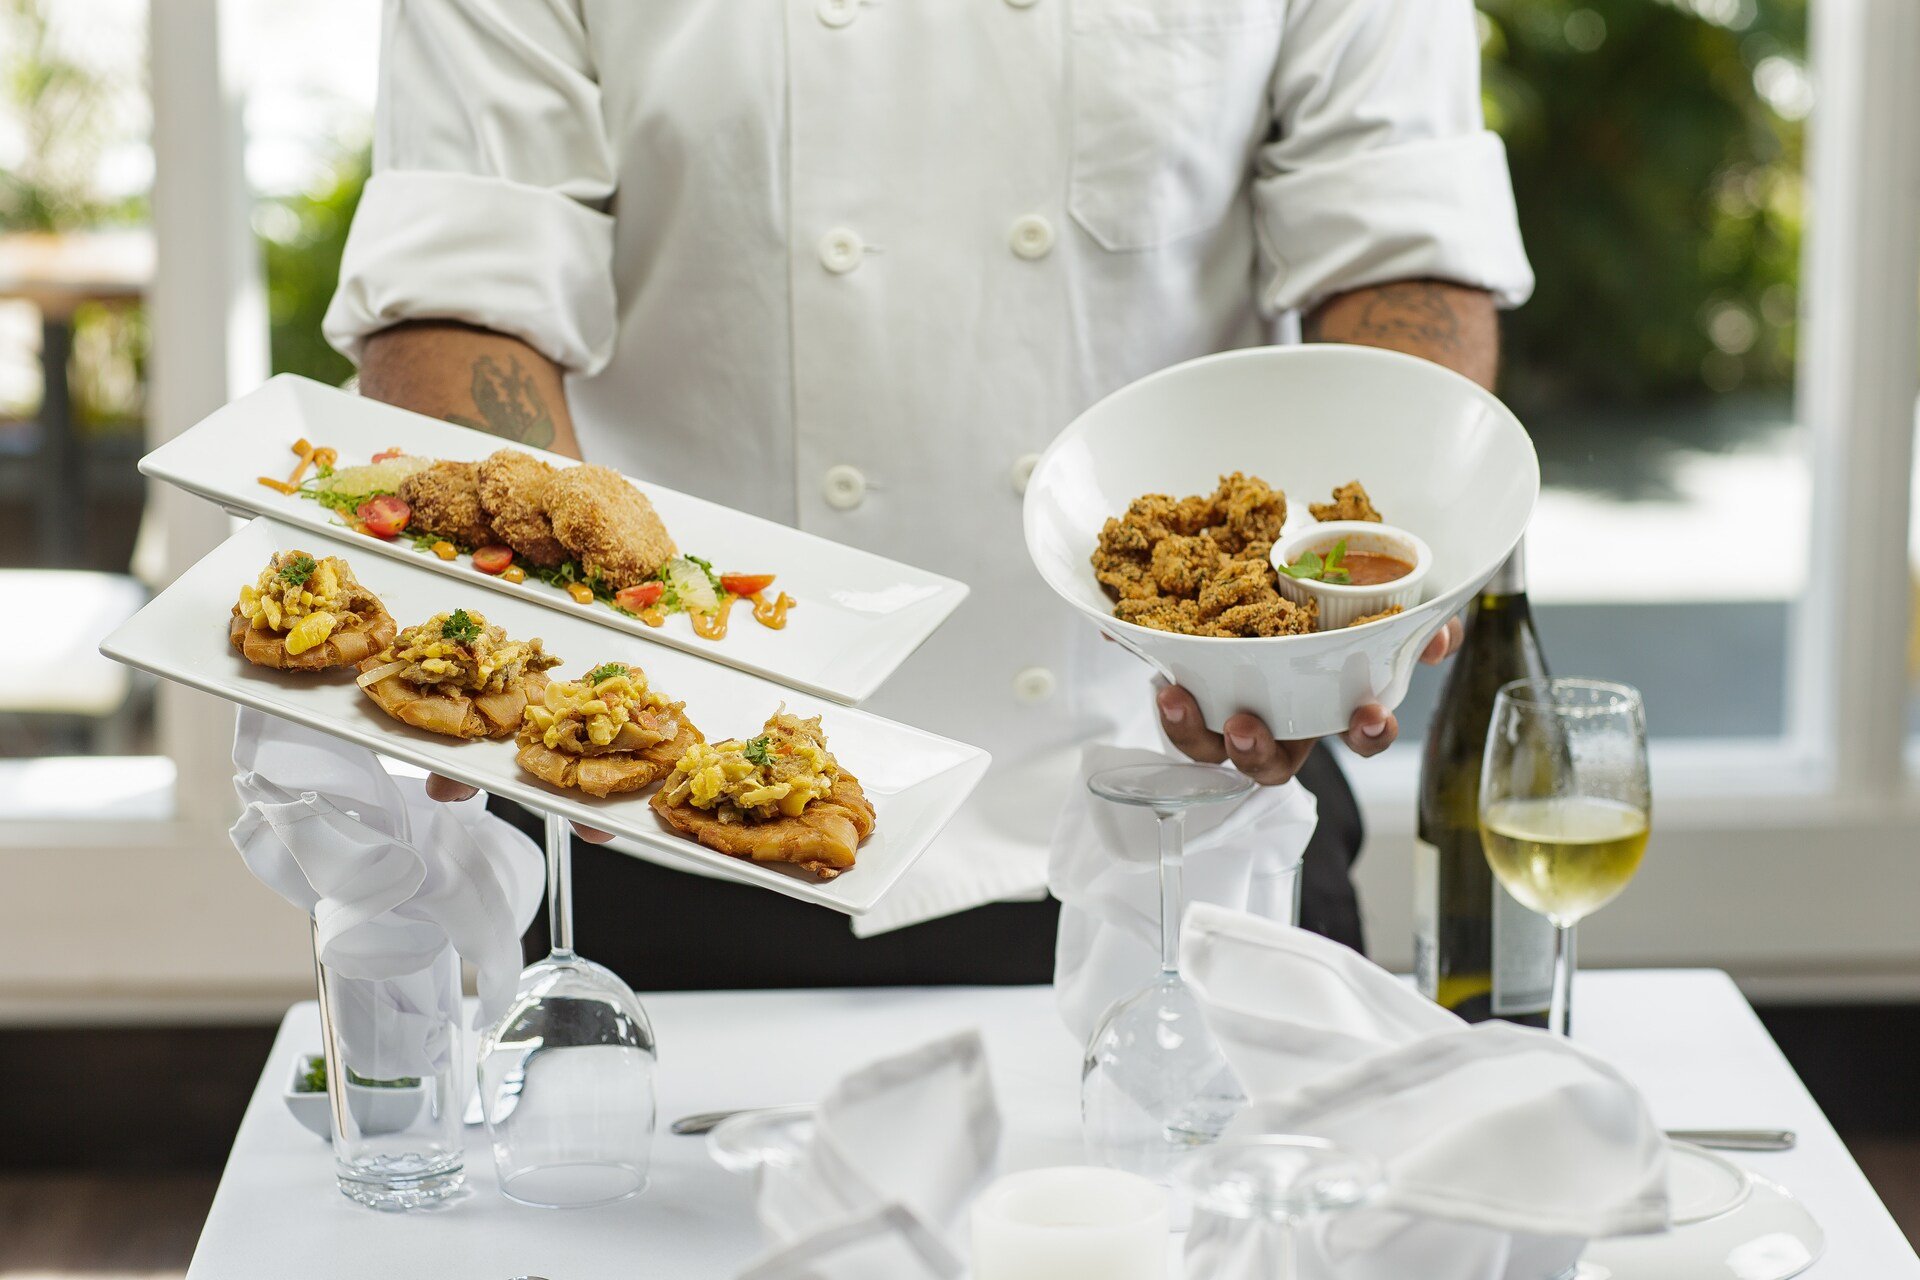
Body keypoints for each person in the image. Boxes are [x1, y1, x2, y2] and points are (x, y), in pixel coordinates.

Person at [323, 0, 1531, 989]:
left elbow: (1396, 249)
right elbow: (462, 283)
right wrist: (520, 641)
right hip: (666, 809)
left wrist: (1344, 619)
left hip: (1188, 800)